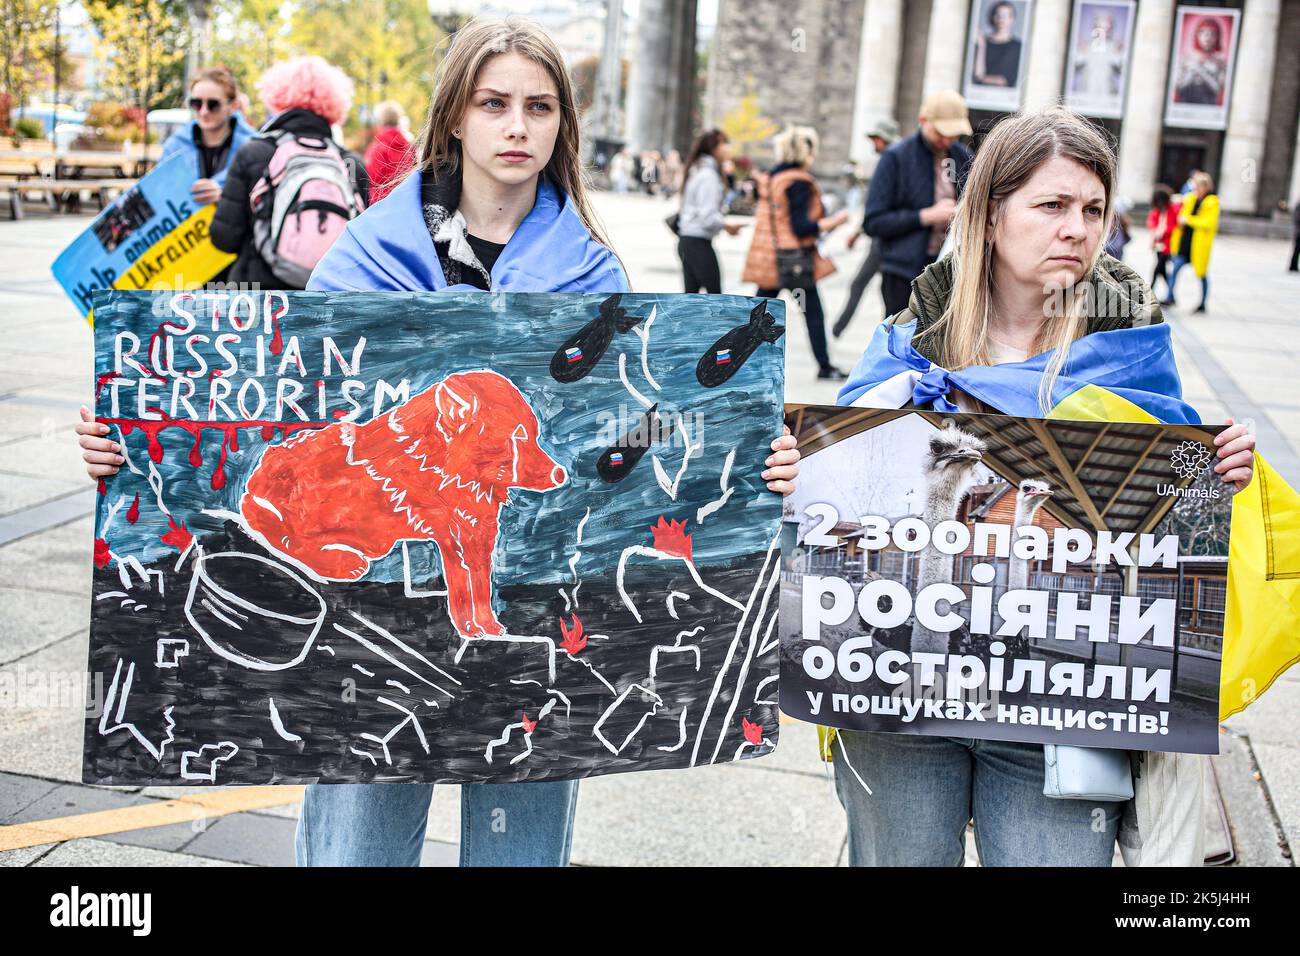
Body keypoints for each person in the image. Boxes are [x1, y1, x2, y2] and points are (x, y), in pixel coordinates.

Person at [76, 17, 803, 867]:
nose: (518, 125)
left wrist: (753, 454)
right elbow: (268, 406)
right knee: (359, 843)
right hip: (356, 603)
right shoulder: (367, 258)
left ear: (562, 123)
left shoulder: (593, 279)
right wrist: (128, 439)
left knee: (517, 837)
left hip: (529, 592)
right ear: (457, 115)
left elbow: (630, 436)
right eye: (495, 103)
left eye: (539, 106)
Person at [831, 107, 1254, 866]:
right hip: (902, 688)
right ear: (990, 217)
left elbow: (1166, 522)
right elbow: (838, 491)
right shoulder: (914, 339)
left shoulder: (1125, 346)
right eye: (1052, 206)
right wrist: (795, 472)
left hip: (1060, 703)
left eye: (1093, 210)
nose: (1077, 229)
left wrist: (1215, 477)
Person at [207, 56, 370, 290]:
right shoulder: (351, 163)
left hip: (258, 298)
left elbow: (225, 238)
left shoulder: (255, 153)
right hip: (326, 300)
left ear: (278, 97)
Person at [741, 125, 850, 380]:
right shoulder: (798, 182)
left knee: (758, 314)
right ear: (806, 152)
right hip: (794, 262)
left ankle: (739, 364)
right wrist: (836, 222)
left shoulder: (771, 178)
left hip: (771, 259)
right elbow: (801, 227)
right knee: (812, 312)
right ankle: (824, 366)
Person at [864, 90, 974, 320]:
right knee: (899, 343)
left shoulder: (962, 156)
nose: (947, 140)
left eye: (953, 135)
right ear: (923, 121)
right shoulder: (895, 157)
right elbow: (873, 222)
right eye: (941, 133)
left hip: (949, 271)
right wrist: (926, 216)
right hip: (902, 273)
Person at [833, 118, 900, 338]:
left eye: (876, 139)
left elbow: (879, 207)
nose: (873, 144)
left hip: (886, 241)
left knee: (883, 293)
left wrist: (858, 233)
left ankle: (884, 336)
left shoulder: (893, 163)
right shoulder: (893, 161)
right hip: (883, 239)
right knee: (885, 293)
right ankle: (886, 335)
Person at [159, 66, 257, 207]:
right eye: (196, 103)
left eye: (213, 105)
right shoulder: (174, 146)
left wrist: (226, 197)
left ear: (233, 106)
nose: (204, 112)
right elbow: (160, 193)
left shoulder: (253, 148)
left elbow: (263, 201)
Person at [677, 128, 743, 294]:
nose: (728, 148)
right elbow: (707, 216)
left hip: (688, 241)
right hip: (698, 243)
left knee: (692, 301)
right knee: (715, 298)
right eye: (724, 143)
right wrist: (727, 226)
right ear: (713, 148)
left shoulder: (698, 169)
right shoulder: (708, 175)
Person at [1164, 171, 1219, 313]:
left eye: (1198, 187)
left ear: (1205, 187)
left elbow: (1208, 223)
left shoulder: (1212, 202)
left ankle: (1203, 303)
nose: (1195, 190)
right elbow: (1180, 212)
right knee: (1175, 270)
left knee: (1202, 274)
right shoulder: (1190, 199)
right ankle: (1170, 297)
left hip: (1198, 246)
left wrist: (1188, 220)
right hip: (1184, 244)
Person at [364, 100, 416, 202]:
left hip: (380, 205)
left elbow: (369, 180)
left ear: (381, 121)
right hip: (405, 203)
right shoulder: (409, 148)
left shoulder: (377, 149)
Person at [1174, 17, 1228, 106]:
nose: (1207, 37)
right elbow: (1179, 85)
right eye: (1203, 32)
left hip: (1208, 105)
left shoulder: (1220, 60)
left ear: (1217, 37)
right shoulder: (1187, 57)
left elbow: (1217, 88)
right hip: (1185, 103)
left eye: (1212, 34)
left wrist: (1199, 68)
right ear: (1197, 35)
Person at [972, 1, 1023, 89]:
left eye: (1005, 15)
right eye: (997, 14)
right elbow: (977, 74)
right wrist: (981, 46)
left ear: (1012, 19)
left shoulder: (1018, 46)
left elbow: (1005, 81)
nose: (1001, 19)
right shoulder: (982, 42)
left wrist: (982, 79)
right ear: (992, 17)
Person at [1147, 184, 1180, 298]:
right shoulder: (1158, 211)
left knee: (1158, 268)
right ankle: (1171, 295)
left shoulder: (1171, 209)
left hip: (1167, 245)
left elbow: (1172, 226)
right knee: (1162, 270)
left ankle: (1150, 293)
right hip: (1159, 244)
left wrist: (1162, 233)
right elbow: (1151, 222)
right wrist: (1154, 236)